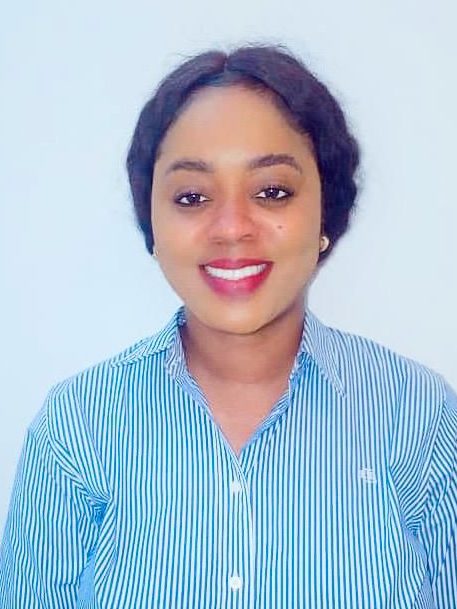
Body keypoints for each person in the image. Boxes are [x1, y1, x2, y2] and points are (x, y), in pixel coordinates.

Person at [0, 43, 456, 609]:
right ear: (152, 226)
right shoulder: (79, 426)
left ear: (326, 212)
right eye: (192, 196)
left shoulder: (418, 414)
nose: (232, 227)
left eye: (272, 192)